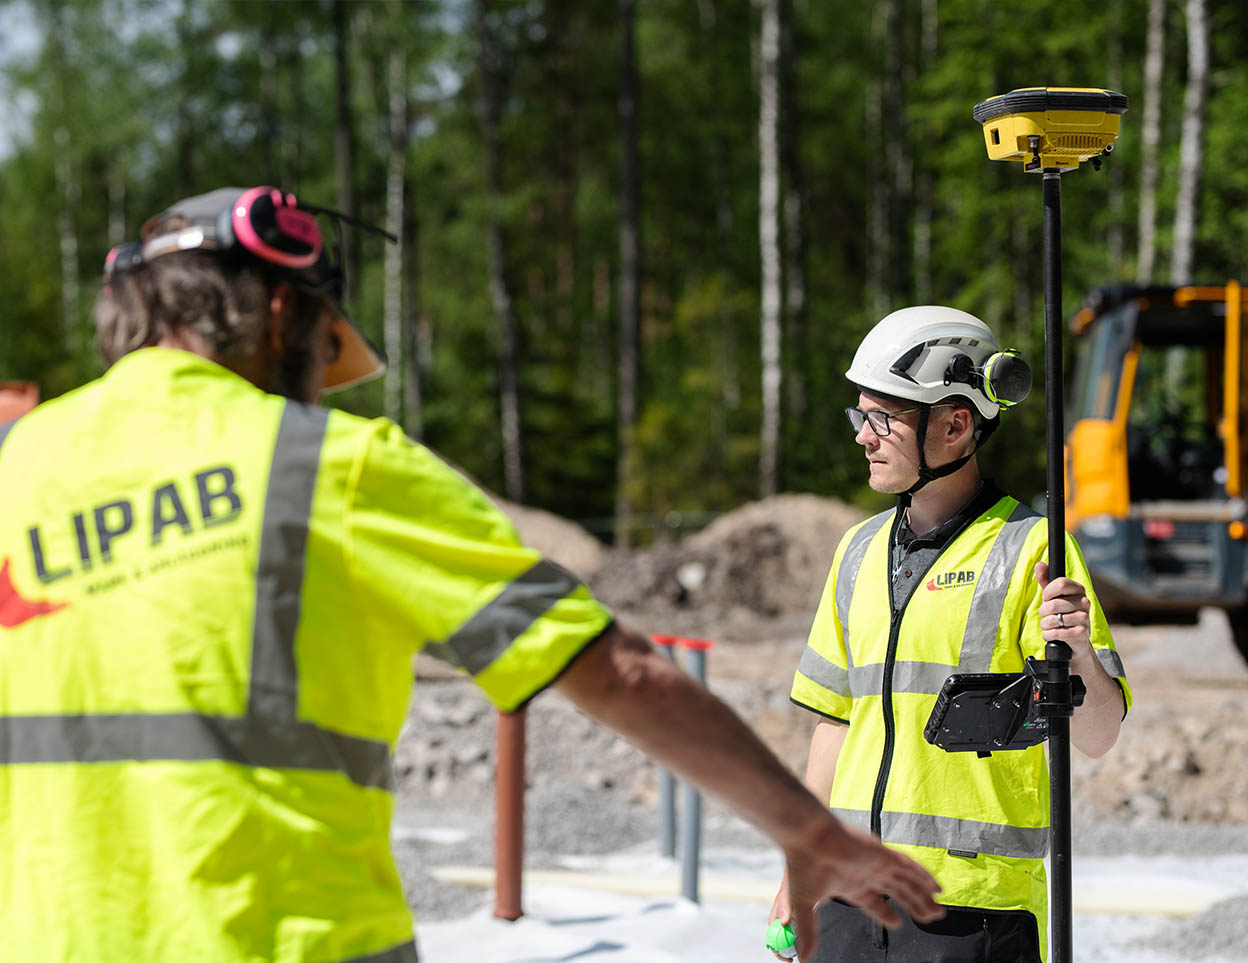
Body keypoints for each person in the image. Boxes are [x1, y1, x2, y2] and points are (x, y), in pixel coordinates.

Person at [0, 186, 942, 963]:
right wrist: (807, 830)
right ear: (284, 309)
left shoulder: (16, 465)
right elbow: (616, 672)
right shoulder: (328, 463)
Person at [768, 306, 1131, 963]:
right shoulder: (856, 551)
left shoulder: (1033, 552)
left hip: (972, 913)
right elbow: (834, 724)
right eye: (860, 416)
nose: (863, 437)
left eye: (882, 418)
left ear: (956, 424)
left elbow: (1100, 736)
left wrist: (1079, 653)